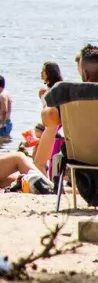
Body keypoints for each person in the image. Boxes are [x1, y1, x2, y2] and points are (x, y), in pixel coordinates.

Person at [33, 44, 98, 202]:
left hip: (84, 170)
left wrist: (46, 103)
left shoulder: (69, 94)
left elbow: (48, 120)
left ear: (84, 73)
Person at [0, 75, 12, 141]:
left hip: (2, 123)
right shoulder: (6, 93)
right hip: (6, 122)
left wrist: (2, 124)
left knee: (0, 143)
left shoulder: (2, 95)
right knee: (3, 145)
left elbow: (5, 110)